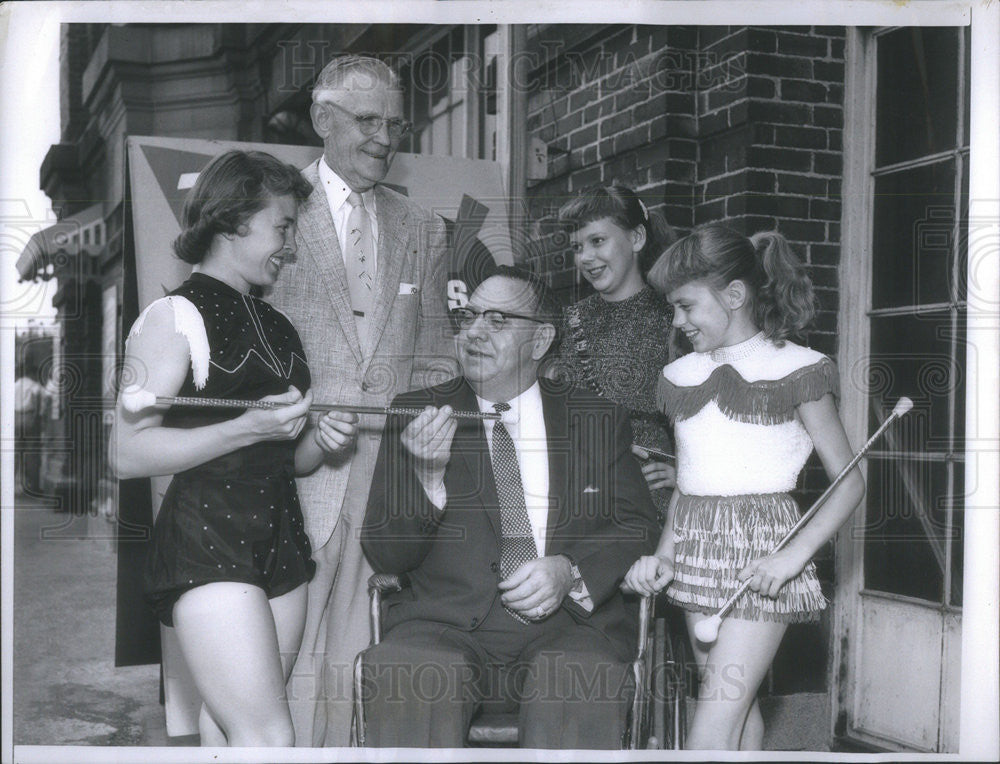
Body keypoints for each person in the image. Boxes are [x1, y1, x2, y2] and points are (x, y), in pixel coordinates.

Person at [111, 150, 358, 747]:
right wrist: (245, 427)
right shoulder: (172, 317)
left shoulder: (279, 327)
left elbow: (285, 458)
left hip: (282, 546)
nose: (291, 244)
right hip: (205, 544)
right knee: (270, 740)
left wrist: (320, 445)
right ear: (233, 220)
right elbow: (125, 451)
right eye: (283, 226)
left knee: (225, 733)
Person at [360, 266, 660, 749]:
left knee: (577, 678)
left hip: (569, 628)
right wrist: (426, 476)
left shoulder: (596, 418)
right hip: (442, 629)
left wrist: (570, 570)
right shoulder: (417, 412)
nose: (474, 332)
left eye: (498, 321)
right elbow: (386, 554)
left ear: (541, 339)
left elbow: (637, 525)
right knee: (408, 671)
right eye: (469, 317)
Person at [266, 54, 457, 747]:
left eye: (395, 124)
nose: (385, 137)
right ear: (323, 120)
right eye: (367, 120)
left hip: (384, 483)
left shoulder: (423, 228)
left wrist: (427, 438)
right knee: (276, 660)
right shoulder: (276, 212)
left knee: (353, 664)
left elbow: (436, 352)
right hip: (294, 473)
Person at [622, 223, 865, 750]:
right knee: (732, 704)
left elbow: (849, 482)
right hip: (696, 547)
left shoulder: (798, 368)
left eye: (686, 306)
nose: (677, 320)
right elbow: (689, 484)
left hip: (765, 553)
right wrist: (666, 554)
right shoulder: (680, 375)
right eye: (673, 308)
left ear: (734, 295)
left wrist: (792, 557)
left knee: (710, 726)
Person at [557, 184, 680, 525]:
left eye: (598, 241)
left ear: (637, 238)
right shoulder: (567, 321)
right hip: (575, 493)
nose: (585, 257)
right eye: (577, 247)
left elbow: (705, 415)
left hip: (645, 502)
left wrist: (684, 473)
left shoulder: (674, 319)